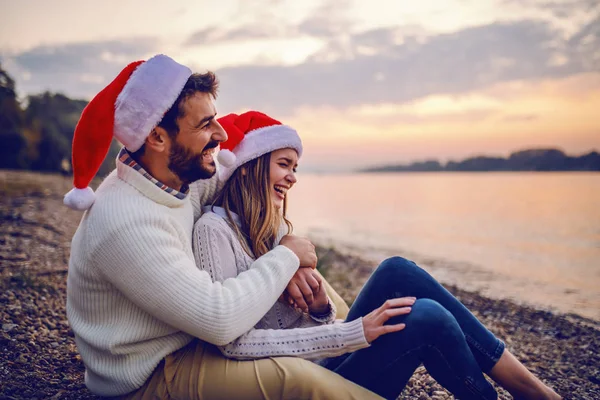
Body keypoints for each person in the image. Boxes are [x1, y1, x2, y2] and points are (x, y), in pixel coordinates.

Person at [64, 55, 382, 399]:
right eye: (205, 125)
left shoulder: (177, 178)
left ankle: (355, 351)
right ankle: (349, 360)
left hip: (187, 338)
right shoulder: (126, 222)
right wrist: (285, 257)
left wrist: (285, 246)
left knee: (313, 282)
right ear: (157, 137)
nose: (221, 134)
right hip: (148, 374)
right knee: (297, 381)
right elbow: (219, 320)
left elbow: (250, 185)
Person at [193, 110, 562, 400]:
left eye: (295, 168)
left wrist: (321, 308)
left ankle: (531, 390)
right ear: (250, 166)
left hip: (322, 358)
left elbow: (307, 325)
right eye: (284, 164)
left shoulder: (269, 231)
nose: (292, 178)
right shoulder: (214, 232)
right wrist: (352, 333)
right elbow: (234, 343)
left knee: (397, 270)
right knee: (428, 317)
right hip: (308, 378)